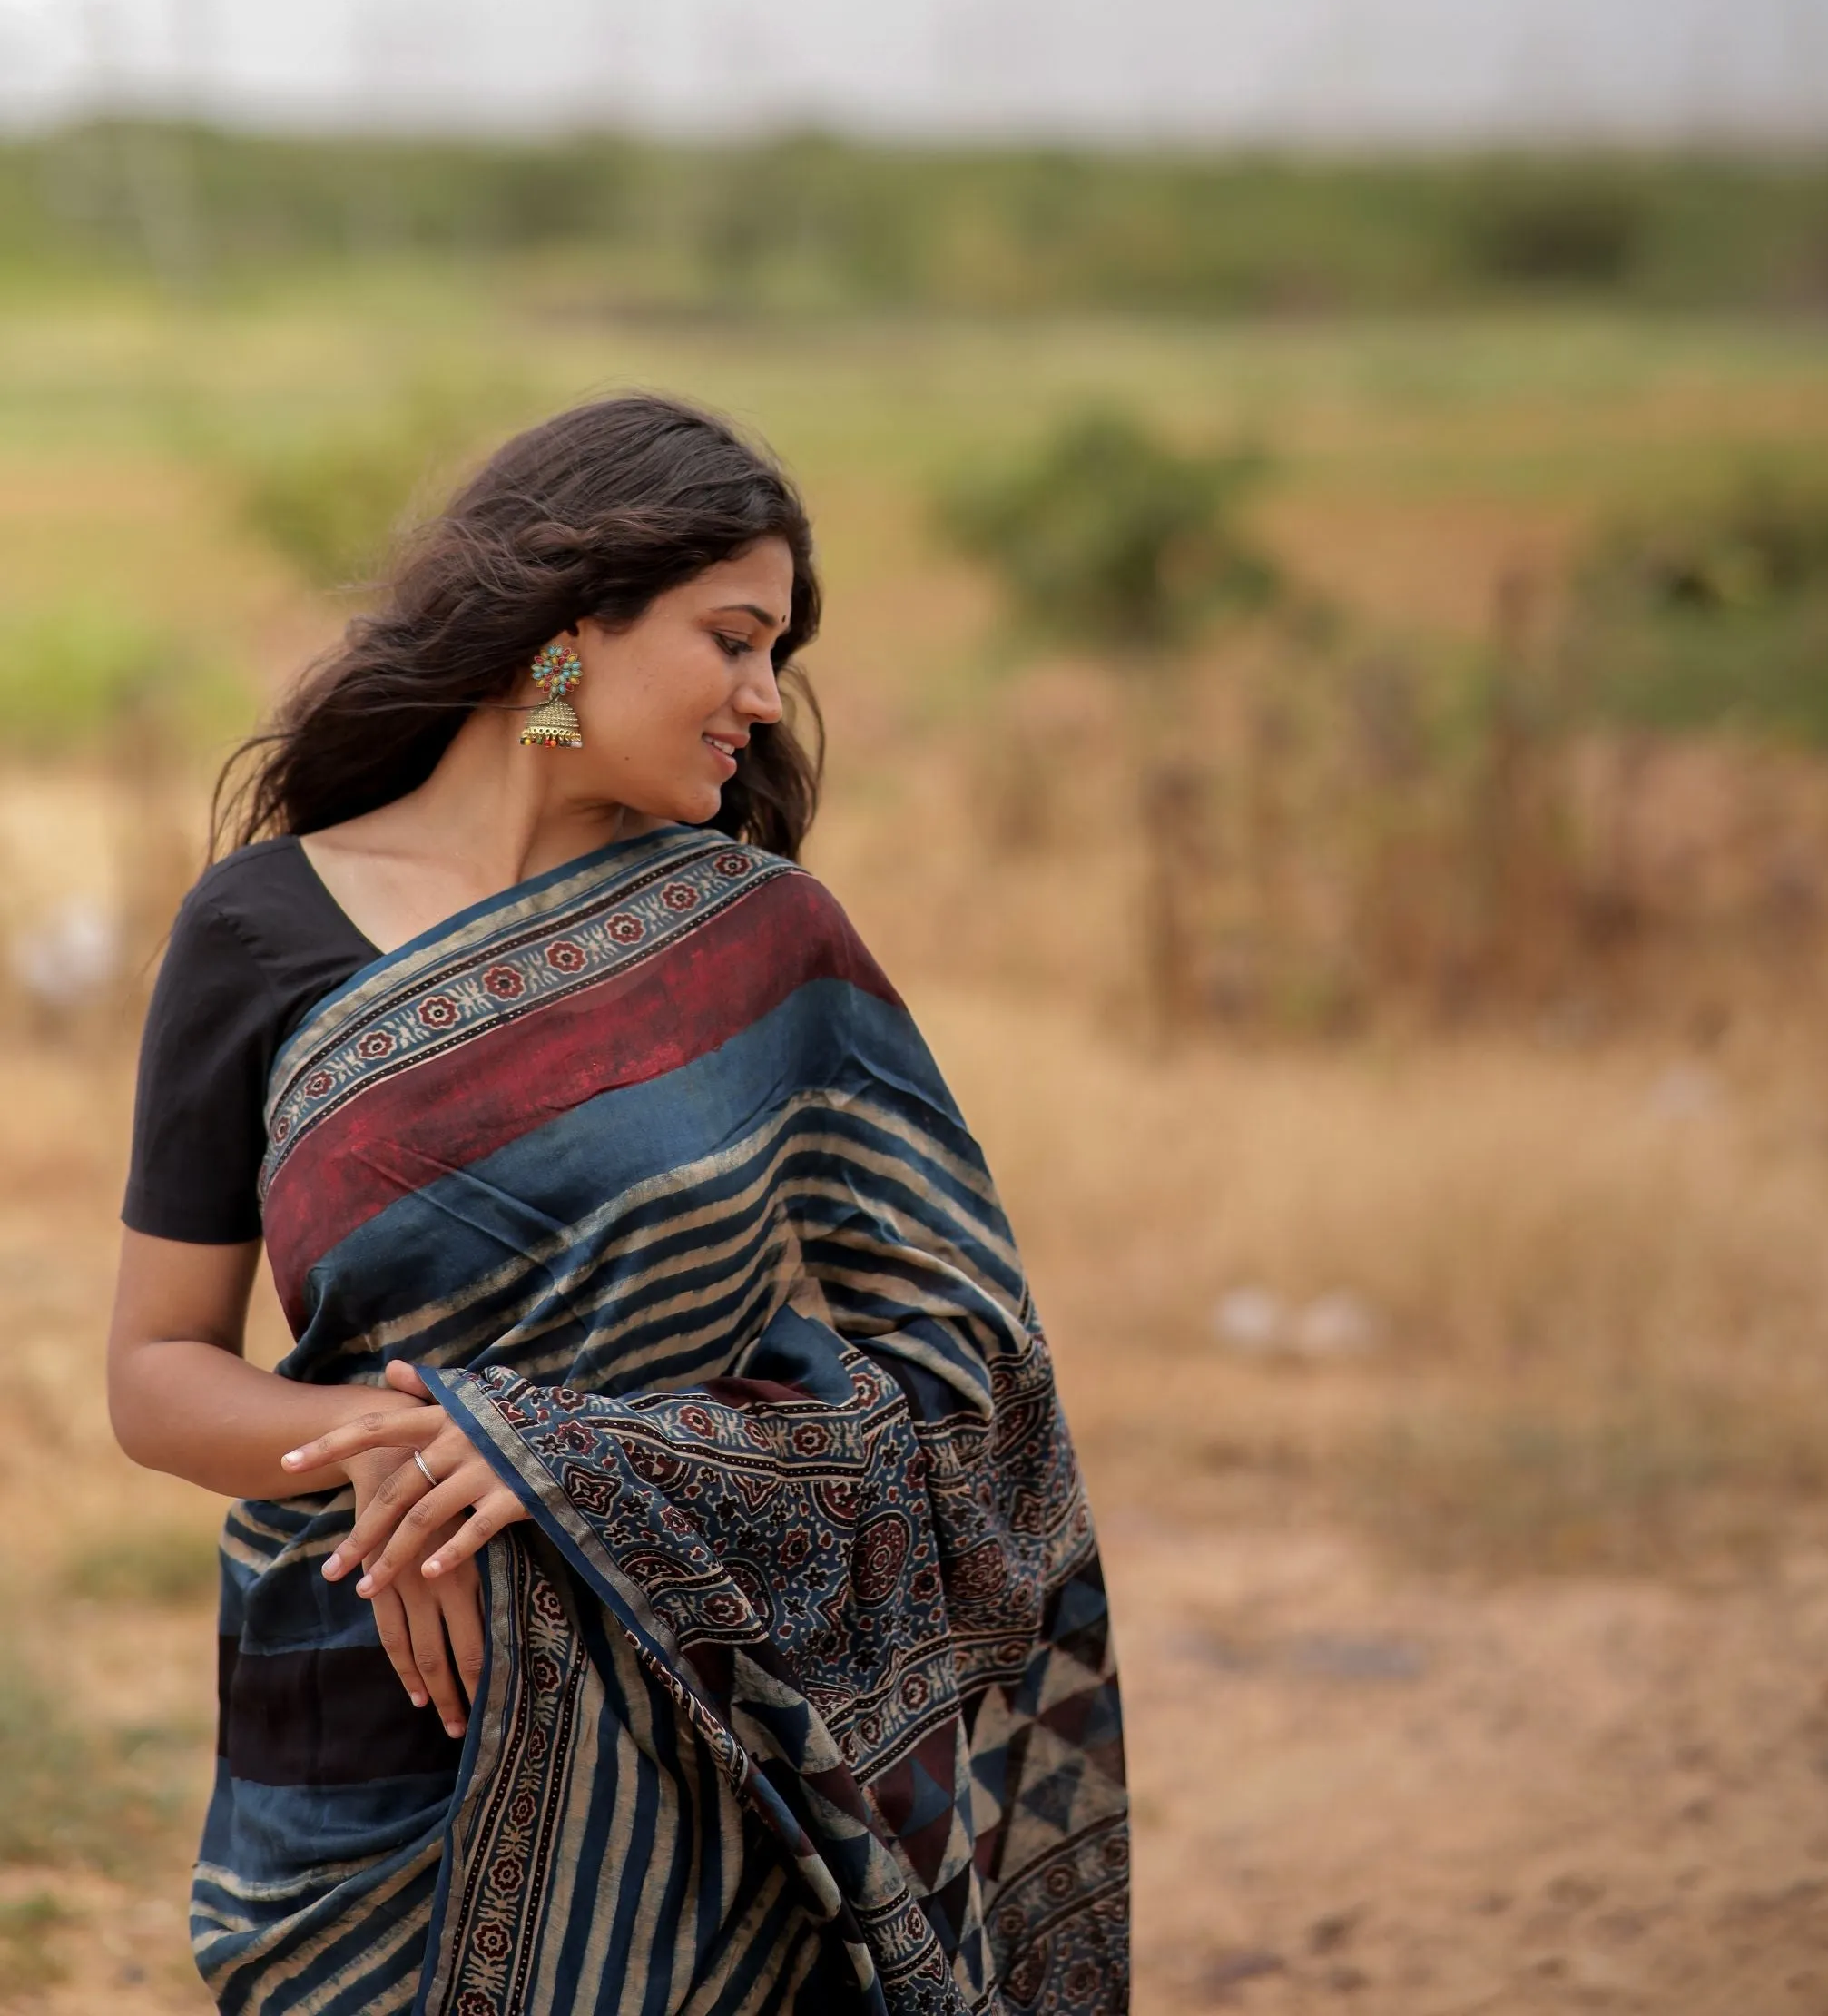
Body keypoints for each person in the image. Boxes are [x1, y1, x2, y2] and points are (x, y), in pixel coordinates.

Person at [107, 393, 1129, 2016]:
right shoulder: (254, 932)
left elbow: (969, 1376)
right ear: (569, 628)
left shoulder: (762, 944)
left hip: (711, 1723)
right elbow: (158, 1373)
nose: (762, 697)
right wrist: (399, 1453)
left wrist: (546, 1458)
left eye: (776, 653)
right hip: (368, 1717)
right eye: (733, 639)